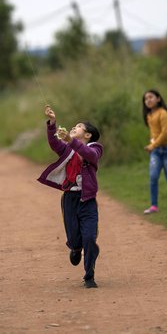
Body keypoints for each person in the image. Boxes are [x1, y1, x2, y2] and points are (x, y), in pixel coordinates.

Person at [37, 105, 103, 288]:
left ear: (88, 135)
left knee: (90, 237)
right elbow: (53, 143)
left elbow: (89, 154)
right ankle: (75, 248)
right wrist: (52, 123)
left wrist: (71, 141)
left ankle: (89, 276)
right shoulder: (66, 148)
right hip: (70, 200)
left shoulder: (95, 148)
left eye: (79, 126)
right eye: (73, 126)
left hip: (88, 201)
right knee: (75, 238)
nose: (74, 128)